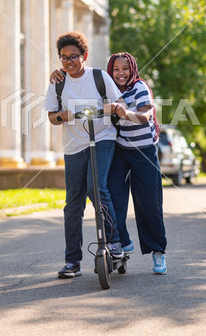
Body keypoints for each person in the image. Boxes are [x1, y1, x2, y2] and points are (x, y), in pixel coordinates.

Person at [45, 31, 124, 279]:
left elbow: (119, 104)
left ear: (84, 56)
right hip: (74, 145)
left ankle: (114, 243)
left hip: (101, 137)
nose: (69, 62)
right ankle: (72, 262)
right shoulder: (57, 83)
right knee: (73, 204)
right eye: (64, 58)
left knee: (96, 188)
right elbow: (51, 117)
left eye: (74, 57)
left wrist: (114, 108)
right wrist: (63, 116)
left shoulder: (99, 77)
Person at [105, 52, 167, 275]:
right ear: (110, 71)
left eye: (125, 69)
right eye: (116, 69)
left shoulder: (140, 87)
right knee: (113, 197)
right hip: (120, 150)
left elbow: (145, 116)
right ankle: (122, 241)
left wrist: (125, 112)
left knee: (148, 202)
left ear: (132, 70)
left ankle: (158, 252)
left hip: (144, 151)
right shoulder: (109, 88)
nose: (120, 73)